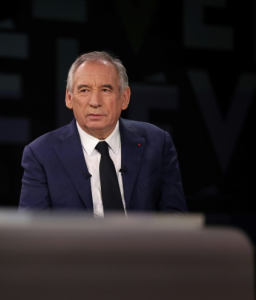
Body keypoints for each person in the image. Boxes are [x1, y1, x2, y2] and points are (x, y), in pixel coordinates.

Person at [18, 51, 187, 217]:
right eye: (84, 90)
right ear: (69, 98)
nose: (95, 102)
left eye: (106, 90)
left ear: (125, 97)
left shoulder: (157, 143)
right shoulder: (41, 154)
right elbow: (32, 231)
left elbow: (175, 219)